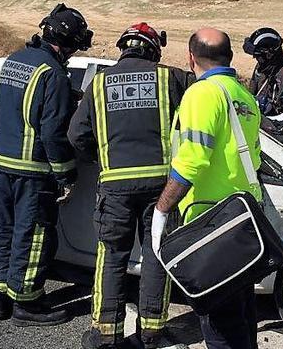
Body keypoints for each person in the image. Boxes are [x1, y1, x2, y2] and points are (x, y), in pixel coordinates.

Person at [68, 23, 191, 349]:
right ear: (153, 50)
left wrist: (103, 158)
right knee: (156, 255)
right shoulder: (171, 78)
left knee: (111, 257)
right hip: (160, 188)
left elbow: (75, 135)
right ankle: (152, 332)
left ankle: (105, 335)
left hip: (115, 189)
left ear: (123, 48)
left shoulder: (98, 84)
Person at [151, 28, 262, 349]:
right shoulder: (242, 96)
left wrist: (161, 210)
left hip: (210, 224)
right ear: (229, 57)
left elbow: (192, 161)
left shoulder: (203, 93)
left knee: (219, 329)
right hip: (242, 221)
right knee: (241, 319)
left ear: (190, 58)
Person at [0, 3, 93, 326]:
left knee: (4, 229)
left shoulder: (14, 61)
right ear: (67, 41)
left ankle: (0, 296)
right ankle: (27, 303)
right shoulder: (54, 74)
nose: (74, 53)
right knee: (32, 237)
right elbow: (51, 131)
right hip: (32, 172)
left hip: (2, 166)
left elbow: (20, 108)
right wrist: (66, 174)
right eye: (75, 46)